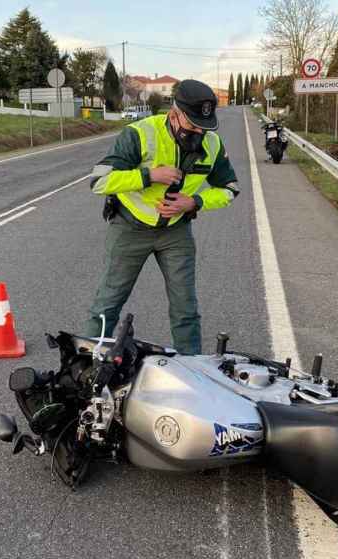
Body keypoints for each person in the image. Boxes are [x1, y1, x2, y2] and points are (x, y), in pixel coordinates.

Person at [86, 79, 240, 354]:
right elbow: (99, 182)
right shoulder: (140, 134)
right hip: (129, 229)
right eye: (192, 126)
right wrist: (148, 175)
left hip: (175, 232)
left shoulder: (213, 145)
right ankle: (88, 367)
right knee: (108, 303)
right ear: (173, 114)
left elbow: (230, 189)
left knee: (186, 308)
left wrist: (194, 201)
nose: (198, 133)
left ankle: (191, 370)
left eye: (204, 128)